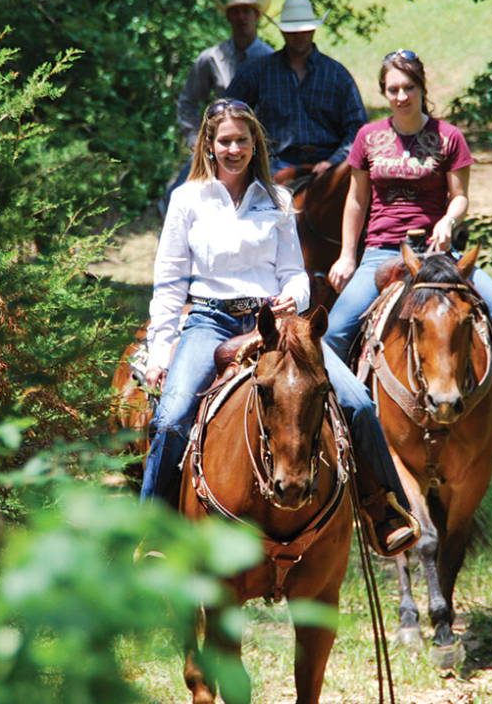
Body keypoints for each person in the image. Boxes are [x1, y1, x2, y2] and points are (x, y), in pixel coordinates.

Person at [139, 97, 418, 553]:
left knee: (358, 403)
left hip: (276, 324)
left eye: (242, 140)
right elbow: (169, 281)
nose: (233, 149)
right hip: (210, 318)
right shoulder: (187, 199)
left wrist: (297, 296)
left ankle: (382, 509)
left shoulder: (277, 199)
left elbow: (293, 270)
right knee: (170, 418)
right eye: (224, 141)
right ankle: (155, 533)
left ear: (255, 144)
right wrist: (159, 350)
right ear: (209, 145)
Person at [324, 50, 492, 442]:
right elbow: (356, 200)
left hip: (437, 254)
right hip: (383, 251)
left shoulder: (448, 137)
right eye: (393, 89)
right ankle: (341, 421)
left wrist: (449, 220)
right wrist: (348, 255)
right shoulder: (368, 138)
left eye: (409, 88)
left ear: (421, 88)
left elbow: (460, 196)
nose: (401, 96)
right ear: (384, 92)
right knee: (334, 332)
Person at [224, 0, 367, 176]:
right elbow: (226, 112)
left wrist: (334, 160)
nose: (299, 35)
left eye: (305, 31)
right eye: (292, 31)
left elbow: (358, 128)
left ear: (313, 31)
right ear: (283, 32)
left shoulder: (337, 75)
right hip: (275, 163)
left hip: (329, 162)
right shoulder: (258, 72)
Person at [167, 0, 275, 206]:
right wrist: (196, 141)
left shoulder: (271, 60)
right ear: (228, 17)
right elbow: (188, 101)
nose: (241, 17)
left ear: (257, 15)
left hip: (258, 145)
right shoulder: (212, 58)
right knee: (179, 194)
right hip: (219, 143)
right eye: (235, 11)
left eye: (247, 11)